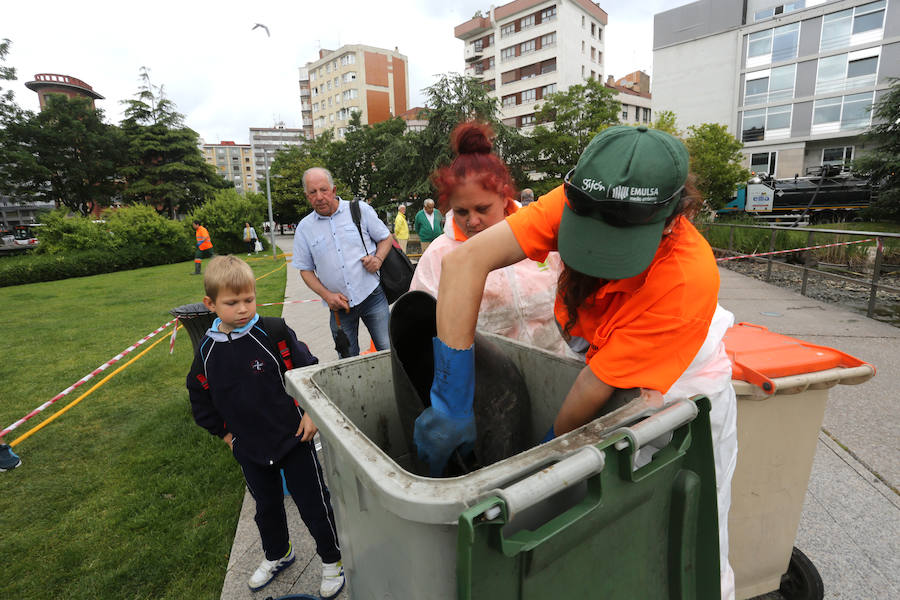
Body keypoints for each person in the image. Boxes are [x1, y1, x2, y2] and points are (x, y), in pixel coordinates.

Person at [416, 125, 738, 599]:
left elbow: (593, 387)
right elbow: (464, 264)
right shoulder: (572, 200)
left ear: (671, 218)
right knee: (606, 538)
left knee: (685, 535)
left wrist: (542, 462)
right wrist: (450, 400)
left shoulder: (685, 278)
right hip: (601, 354)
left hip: (681, 385)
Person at [186, 255, 345, 597]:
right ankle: (278, 554)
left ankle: (333, 559)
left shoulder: (273, 332)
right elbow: (199, 395)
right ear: (210, 304)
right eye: (232, 303)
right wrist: (226, 435)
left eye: (249, 299)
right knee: (267, 509)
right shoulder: (206, 352)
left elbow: (308, 371)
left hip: (293, 439)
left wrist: (310, 413)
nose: (243, 308)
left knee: (314, 505)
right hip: (250, 449)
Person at [410, 121, 570, 357]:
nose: (472, 221)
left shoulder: (541, 234)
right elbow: (421, 332)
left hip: (554, 368)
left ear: (504, 196)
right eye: (462, 212)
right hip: (489, 383)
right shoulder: (439, 256)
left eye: (482, 209)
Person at [292, 167, 393, 357]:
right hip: (338, 306)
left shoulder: (359, 210)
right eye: (313, 192)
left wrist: (378, 259)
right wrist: (327, 296)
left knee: (388, 350)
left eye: (323, 190)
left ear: (334, 190)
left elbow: (386, 238)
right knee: (346, 359)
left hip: (372, 295)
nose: (319, 196)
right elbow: (305, 270)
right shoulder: (305, 228)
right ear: (307, 196)